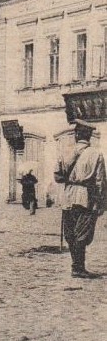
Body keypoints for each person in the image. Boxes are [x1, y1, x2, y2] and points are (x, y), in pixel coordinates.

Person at [55, 119, 107, 278]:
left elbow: (57, 177)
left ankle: (76, 266)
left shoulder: (65, 152)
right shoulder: (96, 154)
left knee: (70, 233)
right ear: (89, 136)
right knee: (82, 233)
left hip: (68, 196)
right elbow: (100, 181)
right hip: (86, 197)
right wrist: (101, 203)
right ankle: (78, 268)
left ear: (76, 135)